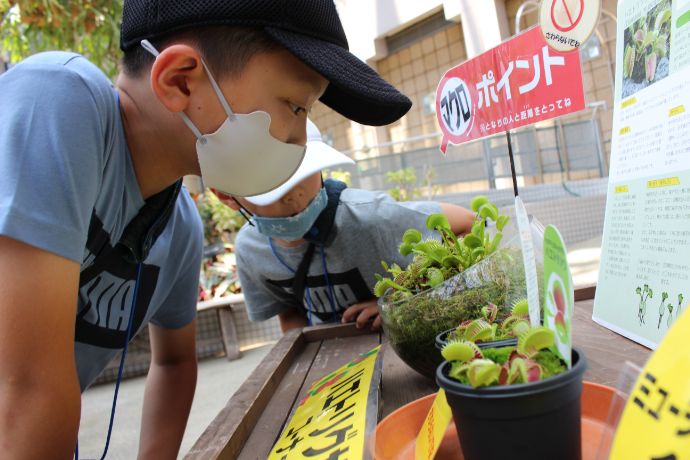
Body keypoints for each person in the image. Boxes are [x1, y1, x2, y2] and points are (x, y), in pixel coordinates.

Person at [0, 1, 412, 458]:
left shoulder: (178, 230)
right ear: (179, 79)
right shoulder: (57, 97)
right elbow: (28, 388)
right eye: (296, 106)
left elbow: (175, 361)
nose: (301, 139)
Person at [217, 120, 475, 333]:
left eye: (303, 171)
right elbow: (290, 317)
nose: (294, 193)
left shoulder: (371, 217)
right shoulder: (251, 250)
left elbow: (468, 222)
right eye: (272, 184)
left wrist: (401, 303)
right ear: (227, 196)